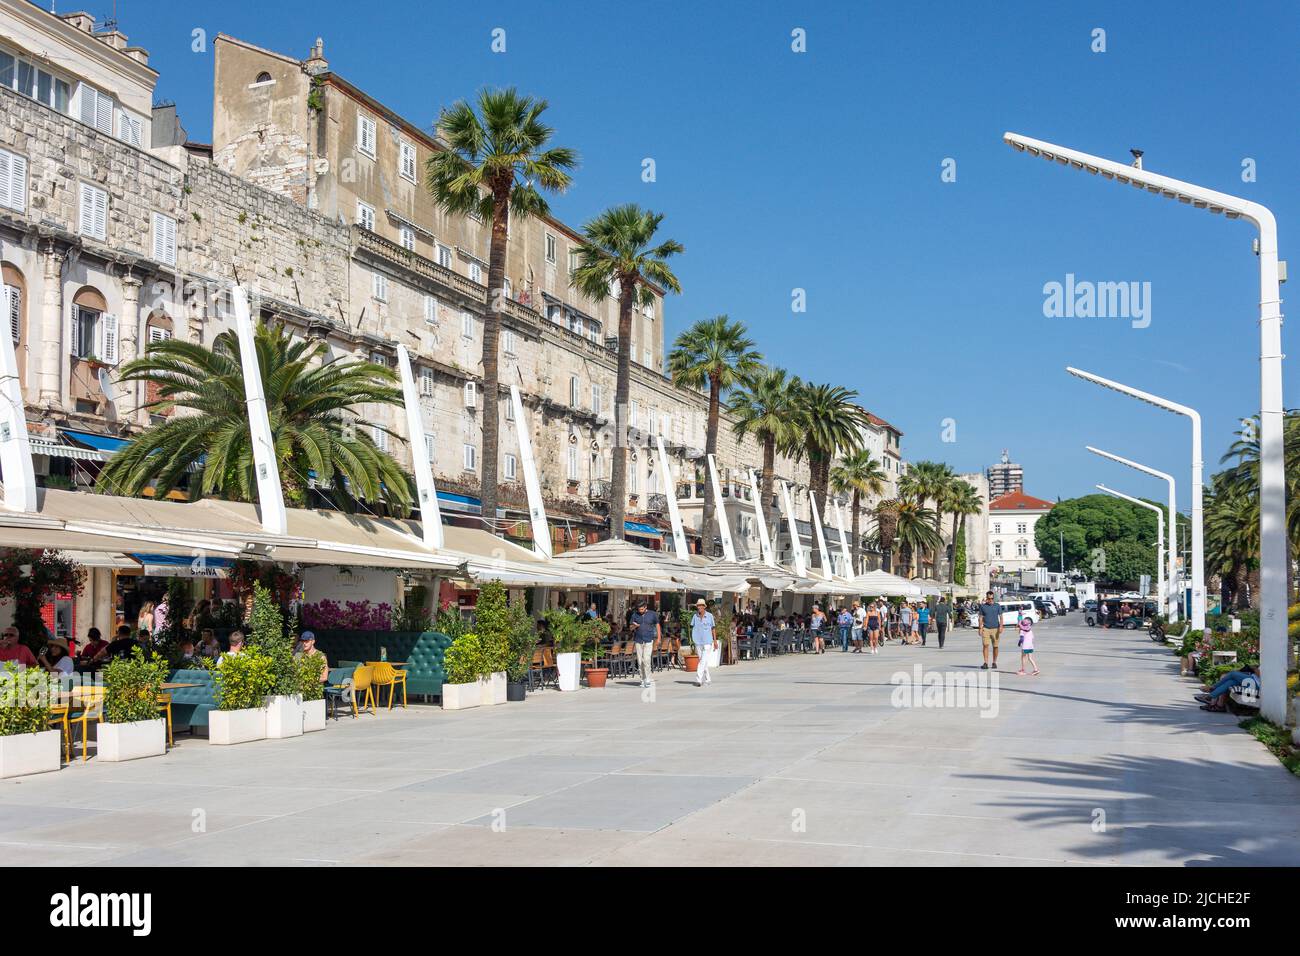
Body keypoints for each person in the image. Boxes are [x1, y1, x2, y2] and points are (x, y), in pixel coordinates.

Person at [629, 598, 660, 689]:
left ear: (645, 607)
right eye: (639, 610)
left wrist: (658, 638)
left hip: (649, 640)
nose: (641, 611)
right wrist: (635, 626)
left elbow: (657, 625)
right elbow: (630, 628)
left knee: (646, 660)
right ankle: (642, 679)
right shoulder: (635, 615)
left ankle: (648, 679)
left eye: (642, 609)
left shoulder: (652, 614)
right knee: (639, 661)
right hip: (638, 640)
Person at [690, 598, 716, 686]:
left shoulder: (710, 616)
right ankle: (708, 679)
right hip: (697, 641)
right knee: (702, 660)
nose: (699, 607)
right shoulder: (695, 616)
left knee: (703, 660)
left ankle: (698, 679)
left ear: (704, 607)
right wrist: (692, 639)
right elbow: (691, 627)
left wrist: (715, 641)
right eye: (698, 606)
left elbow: (713, 628)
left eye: (701, 605)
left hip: (708, 641)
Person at [977, 591, 1003, 670]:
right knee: (985, 645)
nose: (990, 600)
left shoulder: (997, 606)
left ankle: (994, 662)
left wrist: (1001, 626)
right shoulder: (983, 606)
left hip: (996, 629)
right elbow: (980, 618)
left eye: (992, 598)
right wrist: (980, 628)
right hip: (986, 628)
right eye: (989, 598)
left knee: (995, 646)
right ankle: (985, 663)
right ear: (986, 598)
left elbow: (1001, 617)